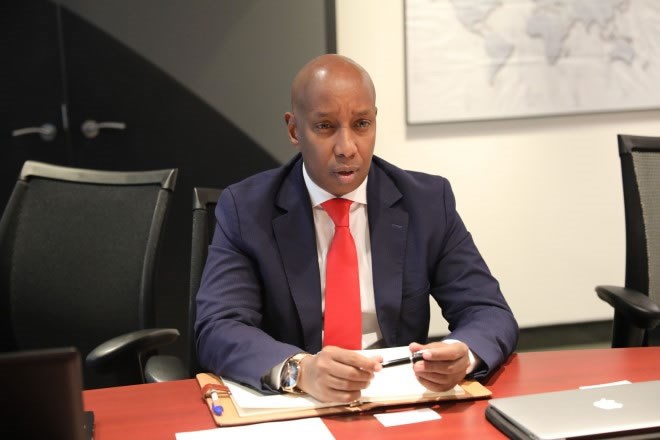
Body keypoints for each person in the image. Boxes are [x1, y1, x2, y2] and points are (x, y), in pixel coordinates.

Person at [195, 54, 518, 403]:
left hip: (395, 398)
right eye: (325, 126)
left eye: (361, 124)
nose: (347, 148)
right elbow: (219, 326)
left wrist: (463, 354)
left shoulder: (426, 203)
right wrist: (299, 370)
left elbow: (487, 311)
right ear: (294, 130)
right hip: (297, 402)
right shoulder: (246, 209)